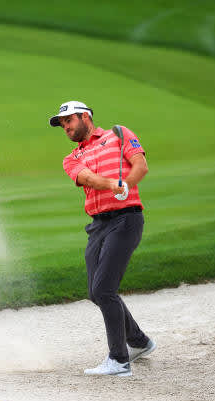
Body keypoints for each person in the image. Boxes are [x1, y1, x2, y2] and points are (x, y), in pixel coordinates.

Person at [49, 101, 156, 377]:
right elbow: (86, 177)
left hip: (126, 219)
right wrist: (112, 184)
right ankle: (139, 341)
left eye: (69, 120)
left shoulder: (118, 135)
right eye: (63, 124)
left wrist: (127, 185)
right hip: (98, 225)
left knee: (105, 289)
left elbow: (140, 166)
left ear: (86, 117)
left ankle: (119, 360)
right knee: (96, 292)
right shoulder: (71, 158)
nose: (66, 127)